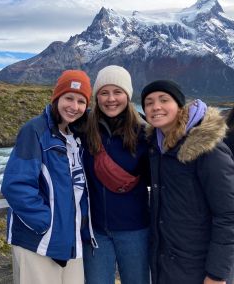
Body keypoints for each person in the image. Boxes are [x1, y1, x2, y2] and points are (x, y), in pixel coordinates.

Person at [1, 70, 97, 284]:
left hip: (70, 238)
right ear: (56, 98)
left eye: (81, 101)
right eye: (69, 98)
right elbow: (15, 185)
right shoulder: (34, 131)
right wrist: (47, 223)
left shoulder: (76, 136)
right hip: (40, 240)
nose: (74, 106)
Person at [141, 80, 234, 284]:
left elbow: (228, 215)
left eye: (164, 100)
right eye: (148, 102)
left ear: (180, 106)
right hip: (168, 265)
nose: (155, 106)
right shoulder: (158, 148)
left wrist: (217, 274)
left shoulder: (207, 149)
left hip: (199, 268)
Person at [82, 65, 150, 284]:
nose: (111, 99)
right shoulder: (83, 129)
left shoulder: (145, 132)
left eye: (117, 92)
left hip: (136, 229)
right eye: (104, 92)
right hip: (95, 231)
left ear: (128, 95)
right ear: (97, 97)